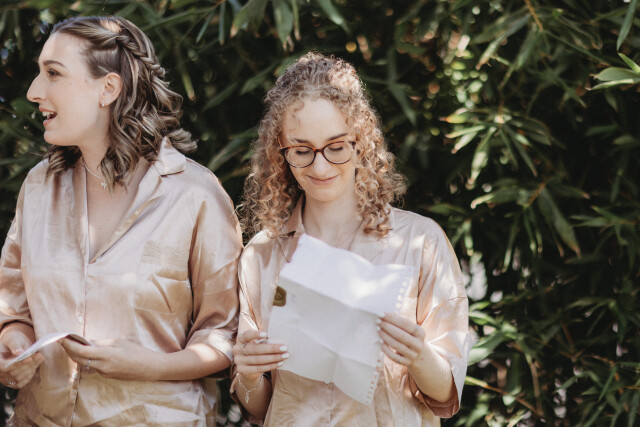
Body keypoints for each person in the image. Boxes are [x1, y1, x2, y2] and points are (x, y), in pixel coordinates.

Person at [0, 16, 242, 425]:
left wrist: (150, 366)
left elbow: (226, 334)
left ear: (108, 89)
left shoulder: (196, 195)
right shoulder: (40, 187)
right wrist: (12, 343)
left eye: (53, 73)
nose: (33, 92)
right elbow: (11, 305)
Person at [231, 52, 471, 426]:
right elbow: (259, 409)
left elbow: (445, 393)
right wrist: (248, 375)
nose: (320, 166)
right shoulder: (261, 255)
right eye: (302, 151)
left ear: (361, 141)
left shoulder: (420, 243)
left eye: (336, 146)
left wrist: (418, 354)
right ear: (280, 151)